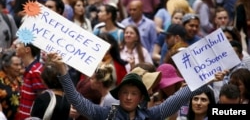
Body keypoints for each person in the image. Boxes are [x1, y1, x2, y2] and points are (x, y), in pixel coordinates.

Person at [47, 52, 225, 120]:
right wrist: (63, 71)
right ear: (119, 95)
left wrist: (207, 80)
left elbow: (181, 97)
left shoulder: (152, 114)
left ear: (141, 97)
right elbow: (77, 101)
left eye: (134, 93)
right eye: (125, 92)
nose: (129, 97)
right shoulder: (105, 114)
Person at [13, 40, 47, 119]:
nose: (16, 46)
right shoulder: (28, 69)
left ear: (27, 49)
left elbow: (43, 99)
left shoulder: (35, 71)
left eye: (19, 44)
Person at [0, 50, 22, 120]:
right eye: (16, 65)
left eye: (20, 64)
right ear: (6, 67)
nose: (19, 67)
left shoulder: (20, 80)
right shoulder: (1, 82)